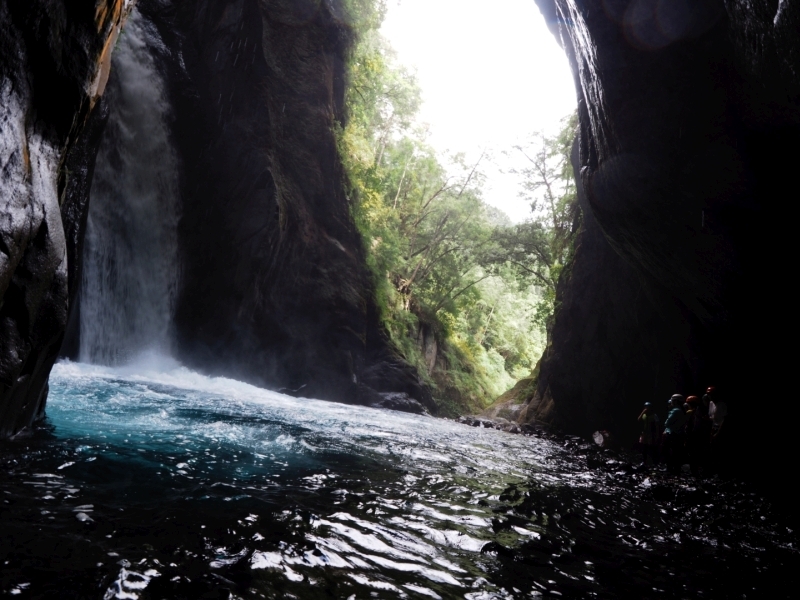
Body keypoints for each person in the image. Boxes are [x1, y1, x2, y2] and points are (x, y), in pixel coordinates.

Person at [661, 394, 687, 475]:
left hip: (672, 433)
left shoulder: (676, 411)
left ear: (675, 401)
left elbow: (667, 423)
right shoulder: (681, 410)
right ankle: (675, 468)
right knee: (676, 451)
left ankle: (671, 469)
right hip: (677, 433)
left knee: (670, 451)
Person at [686, 395, 710, 476]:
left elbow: (696, 424)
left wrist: (691, 434)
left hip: (695, 435)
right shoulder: (696, 411)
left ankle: (695, 472)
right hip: (696, 435)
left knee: (694, 453)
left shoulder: (696, 412)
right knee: (694, 453)